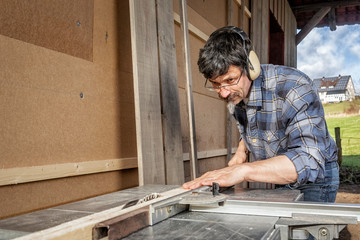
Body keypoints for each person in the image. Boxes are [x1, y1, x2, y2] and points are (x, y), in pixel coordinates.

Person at [182, 26, 339, 202]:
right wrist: (241, 151)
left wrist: (242, 171)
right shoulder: (237, 94)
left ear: (251, 67)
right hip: (281, 177)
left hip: (316, 179)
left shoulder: (294, 87)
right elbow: (254, 124)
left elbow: (309, 161)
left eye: (230, 80)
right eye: (216, 84)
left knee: (303, 230)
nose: (223, 93)